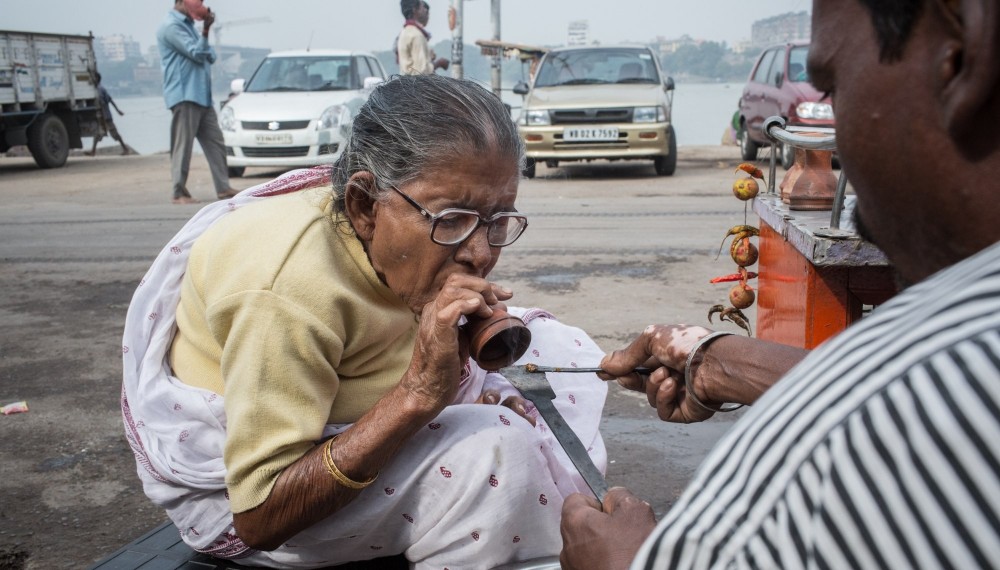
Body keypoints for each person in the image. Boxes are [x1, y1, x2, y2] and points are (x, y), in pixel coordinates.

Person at [560, 0, 1000, 567]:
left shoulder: (881, 420)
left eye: (834, 88)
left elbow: (896, 394)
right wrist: (715, 360)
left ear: (965, 51)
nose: (838, 143)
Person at [122, 74, 608, 568]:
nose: (481, 254)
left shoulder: (399, 246)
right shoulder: (286, 289)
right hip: (250, 504)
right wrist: (417, 397)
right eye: (452, 220)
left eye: (498, 220)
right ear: (364, 207)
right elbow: (259, 515)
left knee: (554, 348)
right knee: (498, 454)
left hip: (337, 425)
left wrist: (620, 365)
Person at [157, 0, 238, 205]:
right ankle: (178, 192)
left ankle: (223, 187)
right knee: (182, 146)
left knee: (216, 143)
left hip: (202, 95)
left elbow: (210, 56)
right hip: (185, 95)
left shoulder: (189, 27)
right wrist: (206, 30)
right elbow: (197, 53)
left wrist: (203, 33)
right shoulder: (171, 27)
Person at [397, 0, 449, 76]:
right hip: (414, 85)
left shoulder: (405, 31)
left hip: (406, 83)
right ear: (415, 10)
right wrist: (439, 63)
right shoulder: (416, 35)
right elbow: (421, 71)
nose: (425, 10)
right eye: (422, 7)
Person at [86, 72, 130, 156]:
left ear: (97, 79)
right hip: (99, 117)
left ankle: (125, 149)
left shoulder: (101, 89)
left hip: (106, 116)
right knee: (97, 134)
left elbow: (110, 100)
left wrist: (118, 110)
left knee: (114, 133)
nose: (91, 80)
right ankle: (93, 151)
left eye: (93, 78)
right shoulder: (94, 90)